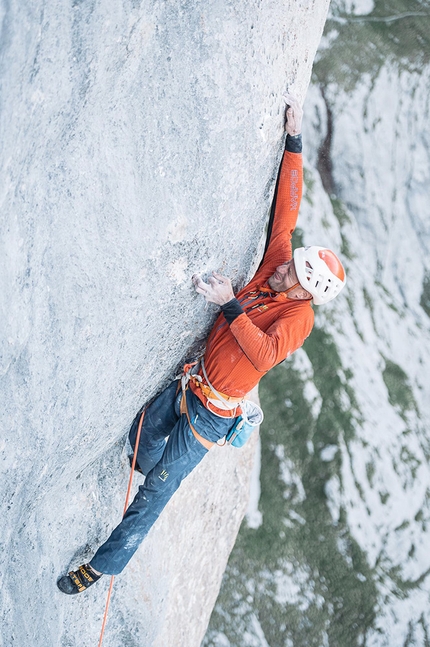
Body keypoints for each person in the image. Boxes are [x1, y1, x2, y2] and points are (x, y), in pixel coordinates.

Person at [57, 94, 346, 595]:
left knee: (157, 492)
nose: (281, 267)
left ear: (304, 289)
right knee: (142, 434)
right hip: (194, 382)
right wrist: (294, 140)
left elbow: (262, 354)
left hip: (214, 415)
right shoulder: (276, 270)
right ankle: (140, 462)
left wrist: (230, 303)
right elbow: (286, 211)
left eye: (292, 272)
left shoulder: (299, 318)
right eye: (288, 264)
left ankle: (101, 568)